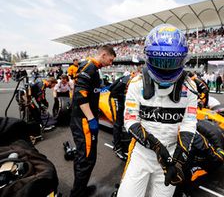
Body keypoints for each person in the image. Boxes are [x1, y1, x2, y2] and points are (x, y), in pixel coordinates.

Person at [117, 24, 198, 197]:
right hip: (141, 153)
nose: (166, 68)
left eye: (172, 62)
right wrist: (157, 147)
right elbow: (130, 121)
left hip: (171, 154)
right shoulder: (136, 83)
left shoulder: (190, 87)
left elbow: (189, 123)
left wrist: (177, 161)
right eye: (161, 61)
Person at [69, 45, 116, 197]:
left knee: (85, 157)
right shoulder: (89, 67)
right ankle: (77, 194)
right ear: (103, 55)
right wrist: (91, 119)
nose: (111, 63)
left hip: (86, 118)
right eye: (110, 60)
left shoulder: (94, 69)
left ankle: (79, 190)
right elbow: (80, 96)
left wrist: (105, 88)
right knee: (87, 158)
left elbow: (92, 91)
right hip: (83, 120)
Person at [108, 72, 136, 160]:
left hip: (120, 98)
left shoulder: (131, 78)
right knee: (117, 123)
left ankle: (118, 140)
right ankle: (117, 148)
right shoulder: (126, 80)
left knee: (122, 122)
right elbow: (111, 89)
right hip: (115, 98)